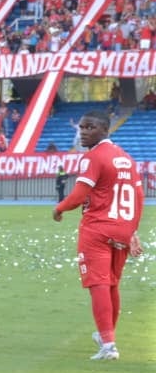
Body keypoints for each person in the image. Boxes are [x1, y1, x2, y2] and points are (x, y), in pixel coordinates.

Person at [52, 111, 145, 360]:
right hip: (122, 229)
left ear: (105, 130)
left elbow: (79, 195)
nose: (83, 131)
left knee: (99, 284)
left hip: (97, 228)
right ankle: (107, 335)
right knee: (112, 283)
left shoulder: (93, 157)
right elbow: (139, 197)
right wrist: (132, 230)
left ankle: (108, 345)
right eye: (81, 127)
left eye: (89, 127)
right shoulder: (126, 158)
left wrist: (59, 208)